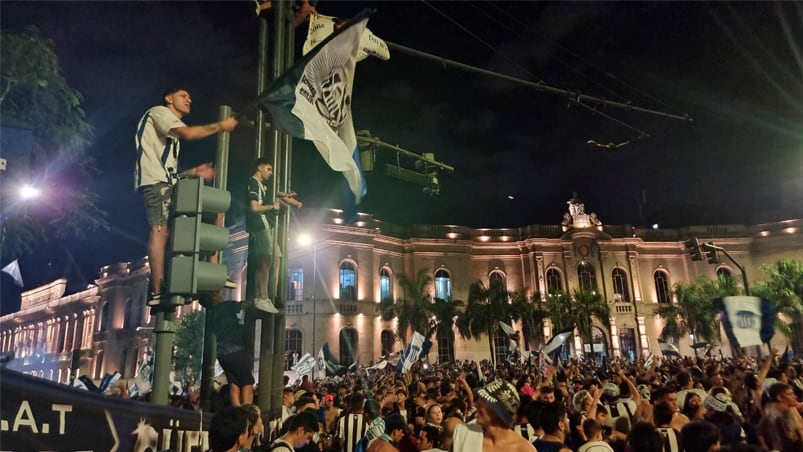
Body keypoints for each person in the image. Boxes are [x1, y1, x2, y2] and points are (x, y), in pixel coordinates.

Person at [134, 87, 238, 303]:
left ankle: (211, 273)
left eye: (190, 96)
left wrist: (194, 172)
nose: (189, 99)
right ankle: (157, 288)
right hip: (155, 183)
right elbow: (189, 133)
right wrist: (221, 126)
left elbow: (171, 170)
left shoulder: (170, 135)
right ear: (168, 98)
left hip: (169, 182)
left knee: (212, 214)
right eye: (183, 96)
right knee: (160, 230)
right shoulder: (159, 112)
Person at [452, 379, 536, 452]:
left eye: (484, 401)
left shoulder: (523, 449)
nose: (477, 404)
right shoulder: (464, 434)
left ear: (499, 411)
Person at [246, 158, 282, 313]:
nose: (270, 173)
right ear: (259, 168)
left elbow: (274, 193)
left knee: (277, 256)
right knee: (266, 259)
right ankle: (263, 296)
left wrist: (286, 195)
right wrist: (271, 207)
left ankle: (271, 294)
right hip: (259, 225)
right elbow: (254, 207)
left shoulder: (261, 185)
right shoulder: (253, 183)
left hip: (266, 225)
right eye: (268, 169)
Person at [213, 300, 254, 406]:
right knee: (247, 381)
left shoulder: (214, 313)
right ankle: (246, 409)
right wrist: (255, 301)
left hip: (222, 353)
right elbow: (243, 305)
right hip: (236, 349)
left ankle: (236, 409)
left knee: (234, 382)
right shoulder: (225, 306)